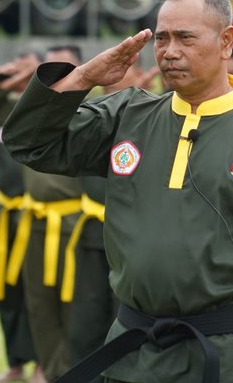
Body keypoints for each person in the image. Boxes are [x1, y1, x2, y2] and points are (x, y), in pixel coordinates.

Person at [3, 0, 233, 383]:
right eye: (161, 38)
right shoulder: (128, 115)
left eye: (185, 38)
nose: (169, 51)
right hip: (135, 349)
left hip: (231, 355)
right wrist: (85, 76)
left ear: (226, 41)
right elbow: (28, 143)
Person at [0, 45, 86, 383]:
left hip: (73, 221)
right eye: (51, 67)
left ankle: (67, 369)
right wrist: (15, 77)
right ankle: (46, 369)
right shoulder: (24, 111)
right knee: (35, 301)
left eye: (67, 66)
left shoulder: (89, 109)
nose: (60, 74)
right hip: (31, 219)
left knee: (74, 302)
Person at [60, 62, 158, 382]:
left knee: (127, 318)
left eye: (125, 68)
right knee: (85, 318)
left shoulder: (155, 116)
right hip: (91, 232)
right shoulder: (90, 116)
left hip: (133, 237)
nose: (113, 75)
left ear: (140, 75)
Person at [0, 52, 42, 383]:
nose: (24, 76)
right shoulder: (6, 110)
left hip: (38, 216)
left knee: (39, 293)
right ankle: (15, 362)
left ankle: (43, 362)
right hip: (7, 213)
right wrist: (3, 78)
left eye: (31, 70)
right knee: (7, 292)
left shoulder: (51, 110)